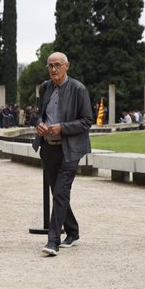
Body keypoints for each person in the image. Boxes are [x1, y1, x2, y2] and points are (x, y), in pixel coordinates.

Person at [32, 51, 92, 257]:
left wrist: (62, 128)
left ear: (67, 66)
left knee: (60, 192)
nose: (53, 69)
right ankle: (73, 231)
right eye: (50, 65)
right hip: (48, 147)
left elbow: (86, 121)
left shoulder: (78, 89)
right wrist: (39, 124)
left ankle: (53, 240)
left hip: (70, 149)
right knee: (57, 192)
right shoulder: (45, 87)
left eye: (57, 65)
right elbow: (40, 114)